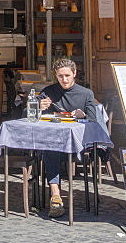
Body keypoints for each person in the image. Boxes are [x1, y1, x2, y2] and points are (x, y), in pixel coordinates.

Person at [38, 57, 98, 218]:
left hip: (78, 143)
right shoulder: (49, 92)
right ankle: (55, 194)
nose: (64, 79)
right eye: (60, 76)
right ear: (56, 76)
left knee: (51, 149)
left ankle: (57, 194)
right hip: (55, 141)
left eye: (67, 76)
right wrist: (39, 108)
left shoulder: (86, 93)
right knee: (50, 149)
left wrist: (82, 114)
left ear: (74, 74)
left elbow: (94, 119)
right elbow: (28, 116)